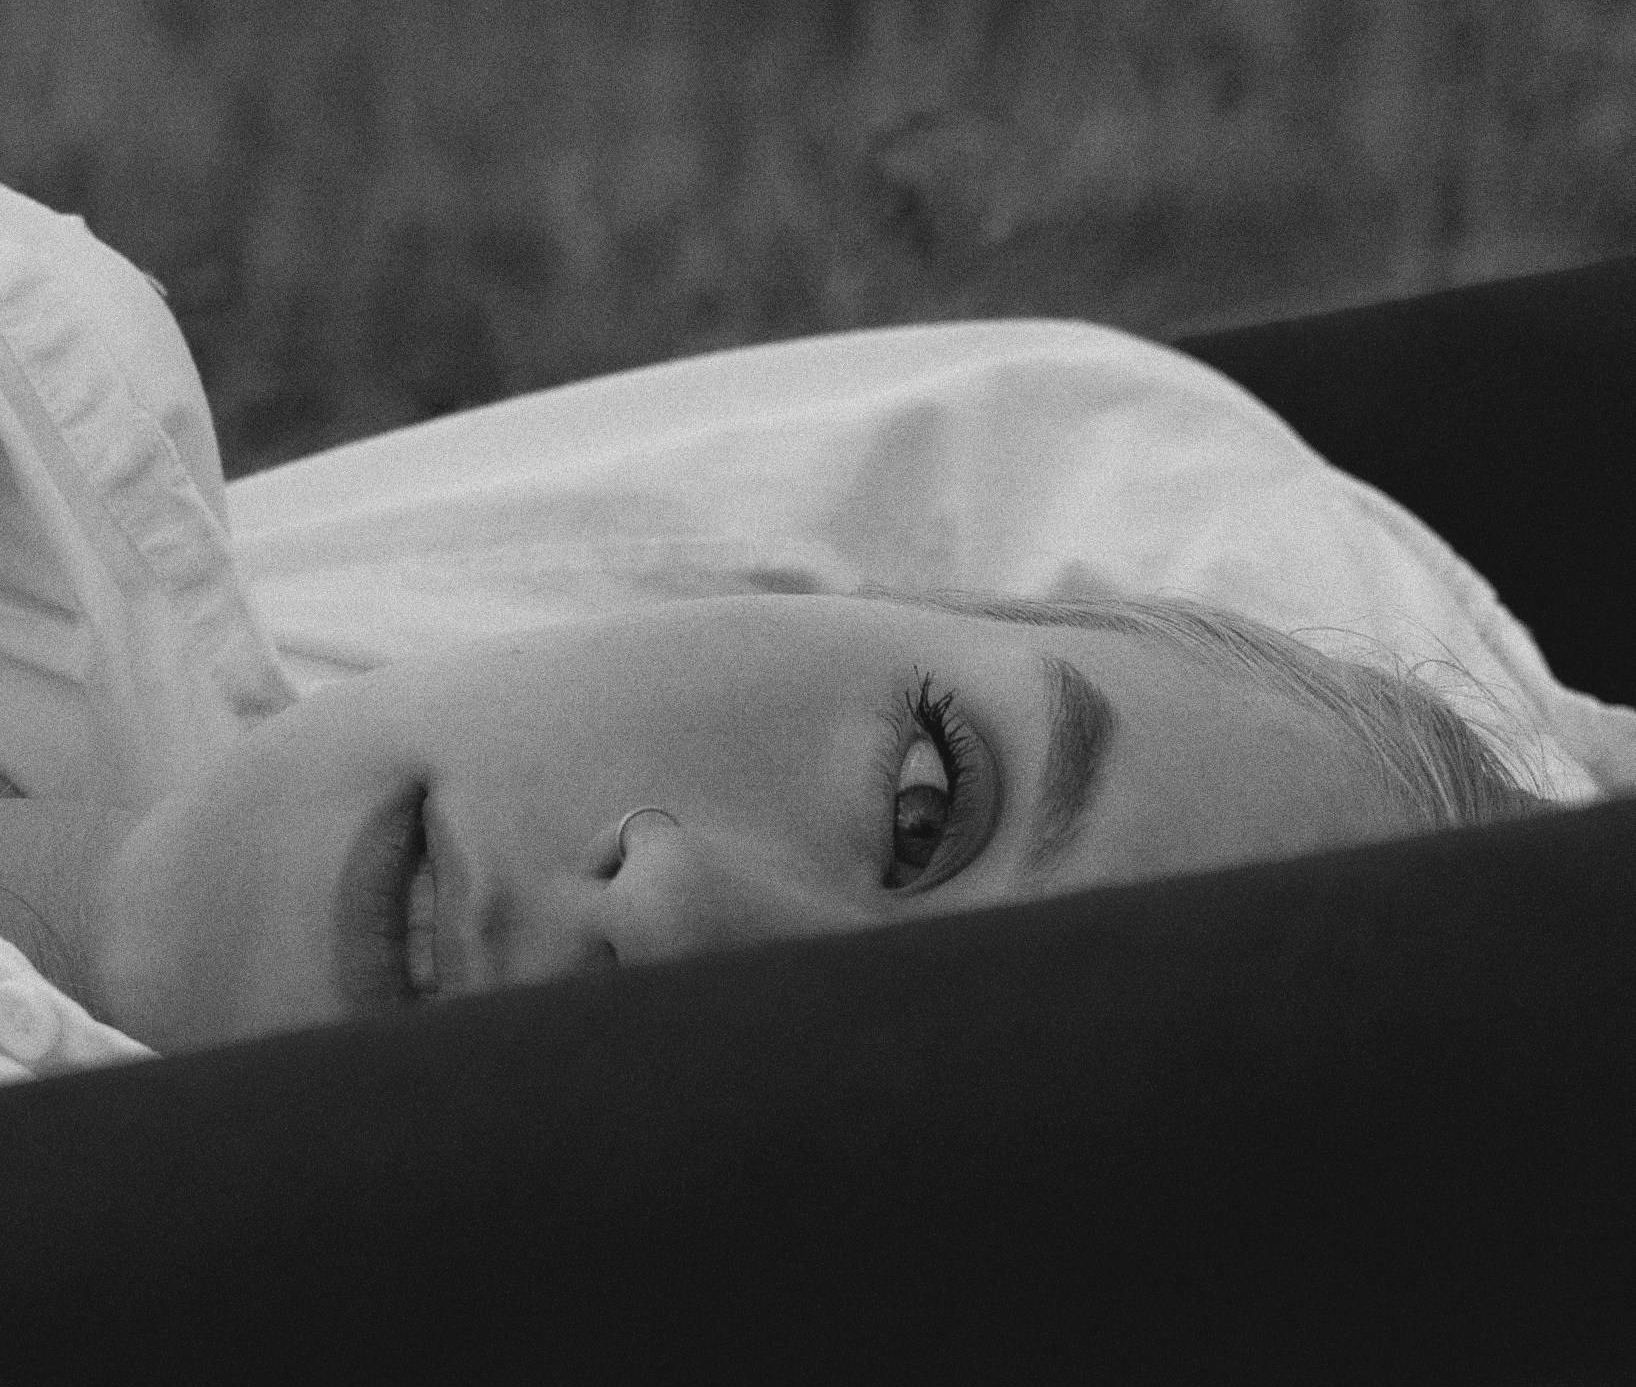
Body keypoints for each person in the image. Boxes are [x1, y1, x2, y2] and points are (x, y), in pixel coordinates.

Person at [0, 182, 1626, 1071]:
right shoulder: (61, 425)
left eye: (869, 1077)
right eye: (926, 805)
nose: (671, 912)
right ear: (840, 586)